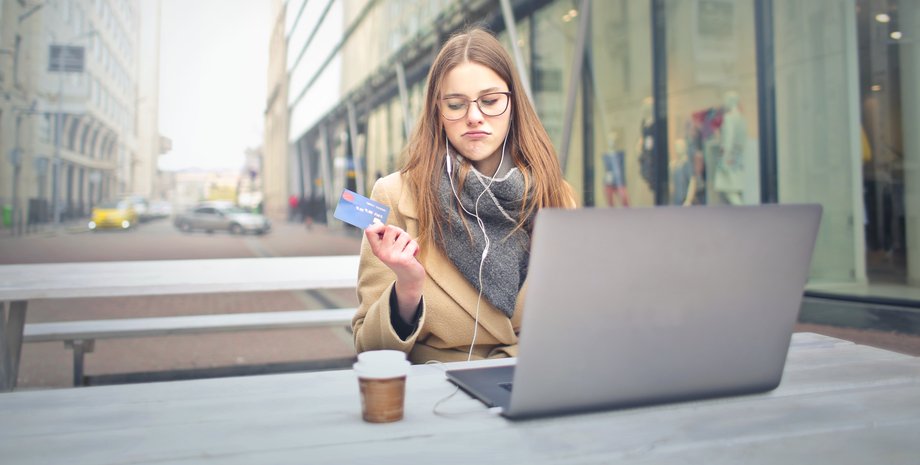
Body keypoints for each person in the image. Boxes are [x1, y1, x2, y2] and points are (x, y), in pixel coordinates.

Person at [352, 27, 575, 363]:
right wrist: (407, 289)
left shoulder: (556, 195)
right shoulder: (392, 194)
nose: (474, 117)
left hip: (536, 381)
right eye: (456, 104)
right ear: (437, 113)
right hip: (440, 392)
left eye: (490, 101)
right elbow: (368, 347)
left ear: (514, 105)